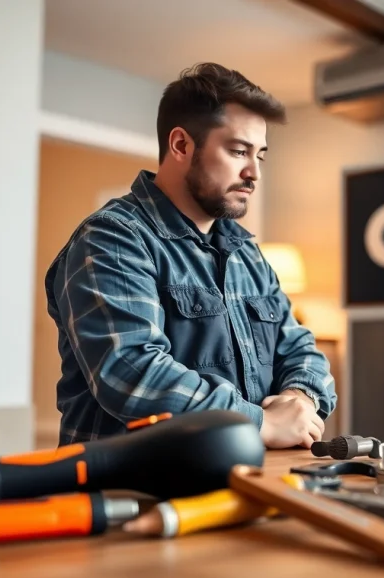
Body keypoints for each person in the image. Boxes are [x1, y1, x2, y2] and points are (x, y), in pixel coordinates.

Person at [45, 63, 335, 450]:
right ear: (181, 145)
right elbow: (130, 372)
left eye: (259, 156)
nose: (254, 174)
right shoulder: (112, 238)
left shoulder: (248, 255)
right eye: (238, 151)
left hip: (245, 481)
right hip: (133, 492)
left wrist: (300, 398)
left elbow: (300, 348)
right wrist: (260, 422)